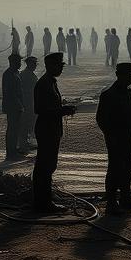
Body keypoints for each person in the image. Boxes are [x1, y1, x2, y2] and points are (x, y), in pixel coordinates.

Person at [96, 62, 131, 216]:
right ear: (119, 75)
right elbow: (101, 119)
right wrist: (110, 135)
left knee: (129, 167)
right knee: (115, 169)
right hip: (115, 138)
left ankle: (125, 198)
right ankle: (111, 203)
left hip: (127, 136)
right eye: (128, 75)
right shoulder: (108, 95)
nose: (130, 78)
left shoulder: (128, 93)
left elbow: (130, 113)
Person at [32, 52, 77, 212]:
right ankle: (42, 202)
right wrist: (62, 111)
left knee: (49, 165)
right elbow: (40, 109)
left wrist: (63, 108)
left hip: (52, 128)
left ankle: (44, 200)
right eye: (59, 65)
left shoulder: (51, 82)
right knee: (44, 166)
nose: (61, 69)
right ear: (50, 66)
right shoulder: (43, 84)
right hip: (46, 129)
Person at [1, 53, 26, 159]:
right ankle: (11, 152)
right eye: (18, 62)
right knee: (12, 129)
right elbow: (11, 93)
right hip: (13, 106)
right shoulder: (9, 74)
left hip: (16, 105)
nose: (20, 64)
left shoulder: (14, 73)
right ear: (12, 62)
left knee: (15, 129)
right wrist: (19, 104)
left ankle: (13, 150)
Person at [20, 56, 39, 151]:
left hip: (31, 102)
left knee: (29, 124)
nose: (35, 66)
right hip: (27, 103)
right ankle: (23, 143)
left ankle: (25, 142)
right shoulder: (26, 75)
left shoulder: (27, 74)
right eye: (34, 64)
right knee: (25, 124)